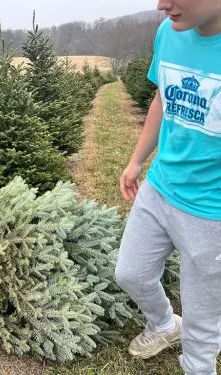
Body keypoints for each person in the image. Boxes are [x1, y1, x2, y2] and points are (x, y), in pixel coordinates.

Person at [115, 1, 221, 374]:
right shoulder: (169, 33)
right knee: (130, 273)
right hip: (159, 188)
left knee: (203, 323)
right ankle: (163, 324)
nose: (162, 5)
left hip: (211, 214)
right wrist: (137, 160)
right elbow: (163, 97)